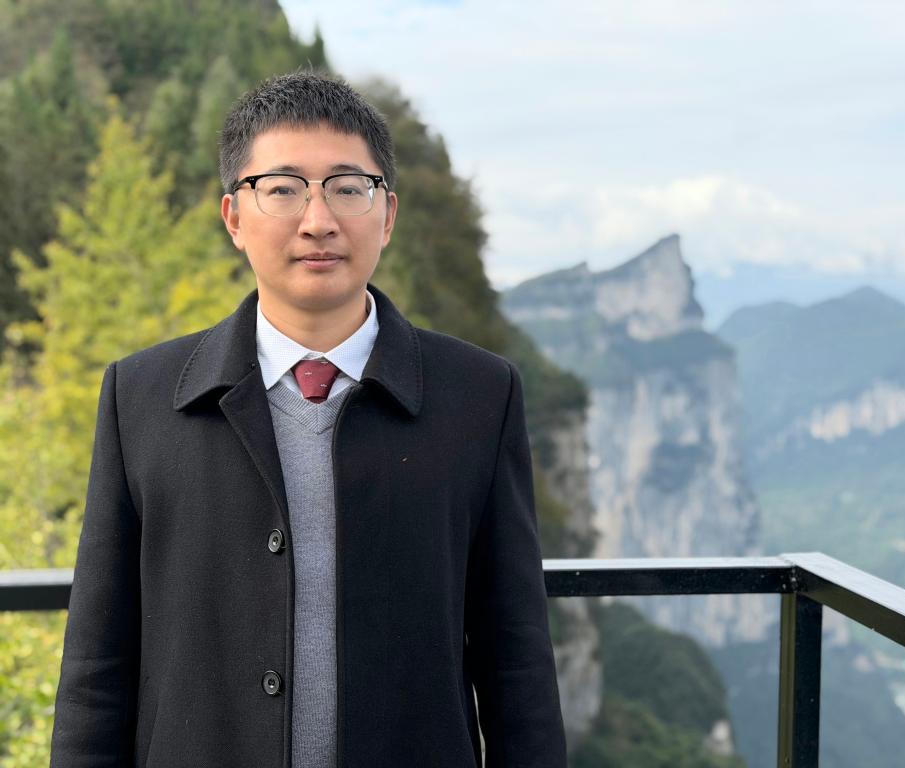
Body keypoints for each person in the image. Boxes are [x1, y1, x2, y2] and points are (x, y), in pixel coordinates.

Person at [50, 71, 567, 768]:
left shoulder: (478, 395)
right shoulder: (141, 397)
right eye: (283, 188)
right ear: (235, 217)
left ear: (387, 215)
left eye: (348, 188)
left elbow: (516, 664)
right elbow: (96, 667)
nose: (318, 220)